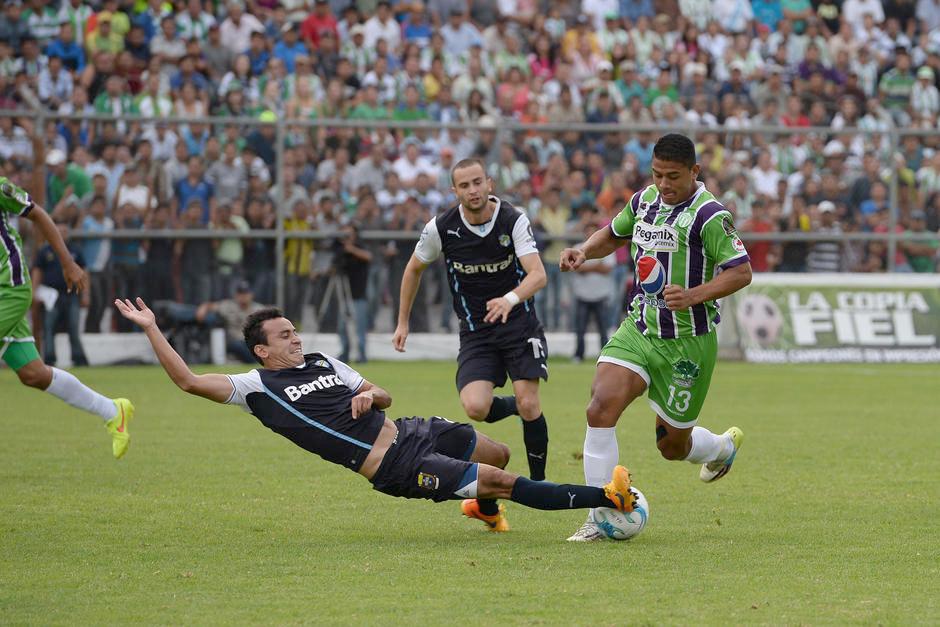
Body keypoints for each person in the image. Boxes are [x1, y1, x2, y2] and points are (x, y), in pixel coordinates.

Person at [114, 300, 637, 532]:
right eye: (284, 335)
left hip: (411, 430)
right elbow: (186, 381)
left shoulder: (324, 362)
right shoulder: (256, 388)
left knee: (497, 452)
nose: (296, 337)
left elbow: (380, 392)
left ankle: (480, 508)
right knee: (502, 478)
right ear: (261, 352)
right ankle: (607, 499)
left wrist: (370, 397)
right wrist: (152, 328)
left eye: (294, 330)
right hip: (392, 466)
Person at [559, 134, 751, 542]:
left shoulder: (710, 216)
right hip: (640, 329)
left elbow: (741, 271)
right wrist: (583, 250)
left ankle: (719, 448)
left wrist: (694, 295)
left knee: (672, 447)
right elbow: (613, 234)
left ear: (695, 172)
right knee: (600, 407)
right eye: (658, 174)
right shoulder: (644, 200)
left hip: (687, 344)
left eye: (674, 177)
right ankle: (600, 512)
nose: (664, 184)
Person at [393, 158, 551, 485]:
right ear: (454, 191)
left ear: (489, 183)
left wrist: (509, 299)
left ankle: (538, 483)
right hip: (476, 332)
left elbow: (538, 275)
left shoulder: (513, 219)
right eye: (464, 185)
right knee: (475, 408)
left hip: (519, 325)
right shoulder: (441, 227)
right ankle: (514, 407)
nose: (473, 190)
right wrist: (402, 322)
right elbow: (413, 269)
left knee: (530, 401)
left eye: (478, 182)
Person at [0, 177, 133, 458]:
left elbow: (37, 213)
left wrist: (67, 262)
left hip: (9, 289)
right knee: (33, 374)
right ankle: (112, 410)